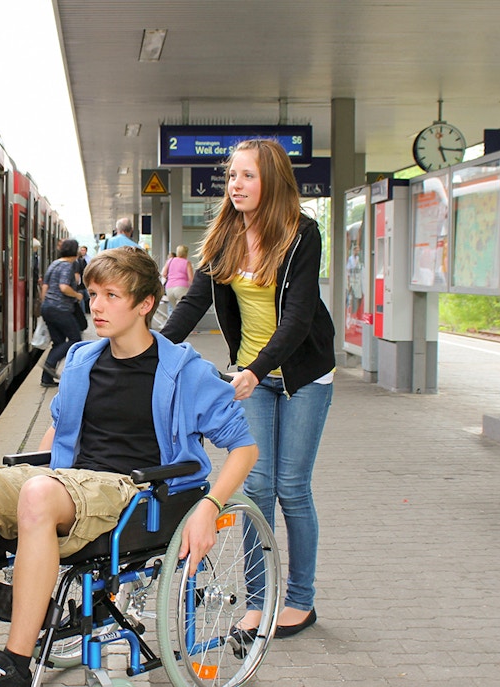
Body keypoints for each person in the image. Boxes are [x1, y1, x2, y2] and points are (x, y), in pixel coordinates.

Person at [0, 246, 258, 687]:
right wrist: (34, 475)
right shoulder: (81, 360)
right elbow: (59, 434)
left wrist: (210, 508)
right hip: (70, 483)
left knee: (38, 494)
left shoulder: (184, 370)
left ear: (145, 304)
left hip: (136, 492)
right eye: (93, 293)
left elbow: (244, 448)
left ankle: (16, 664)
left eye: (112, 296)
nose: (96, 306)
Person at [161, 138, 335, 639]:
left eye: (247, 176)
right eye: (232, 176)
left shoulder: (303, 234)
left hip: (302, 373)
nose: (236, 185)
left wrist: (256, 369)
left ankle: (301, 600)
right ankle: (258, 604)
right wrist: (150, 349)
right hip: (252, 374)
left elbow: (299, 317)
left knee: (292, 489)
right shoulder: (224, 236)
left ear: (272, 181)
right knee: (257, 489)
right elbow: (193, 305)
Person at [37, 238, 83, 386]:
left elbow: (44, 287)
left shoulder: (54, 264)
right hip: (60, 308)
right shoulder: (67, 266)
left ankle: (46, 379)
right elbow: (64, 287)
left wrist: (45, 304)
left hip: (48, 307)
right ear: (75, 252)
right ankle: (49, 363)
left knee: (58, 342)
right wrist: (77, 295)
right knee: (75, 338)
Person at [160, 245, 193, 315]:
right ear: (186, 253)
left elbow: (163, 273)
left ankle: (172, 324)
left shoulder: (170, 261)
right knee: (183, 310)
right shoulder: (187, 262)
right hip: (182, 288)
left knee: (173, 310)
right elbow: (191, 278)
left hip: (169, 288)